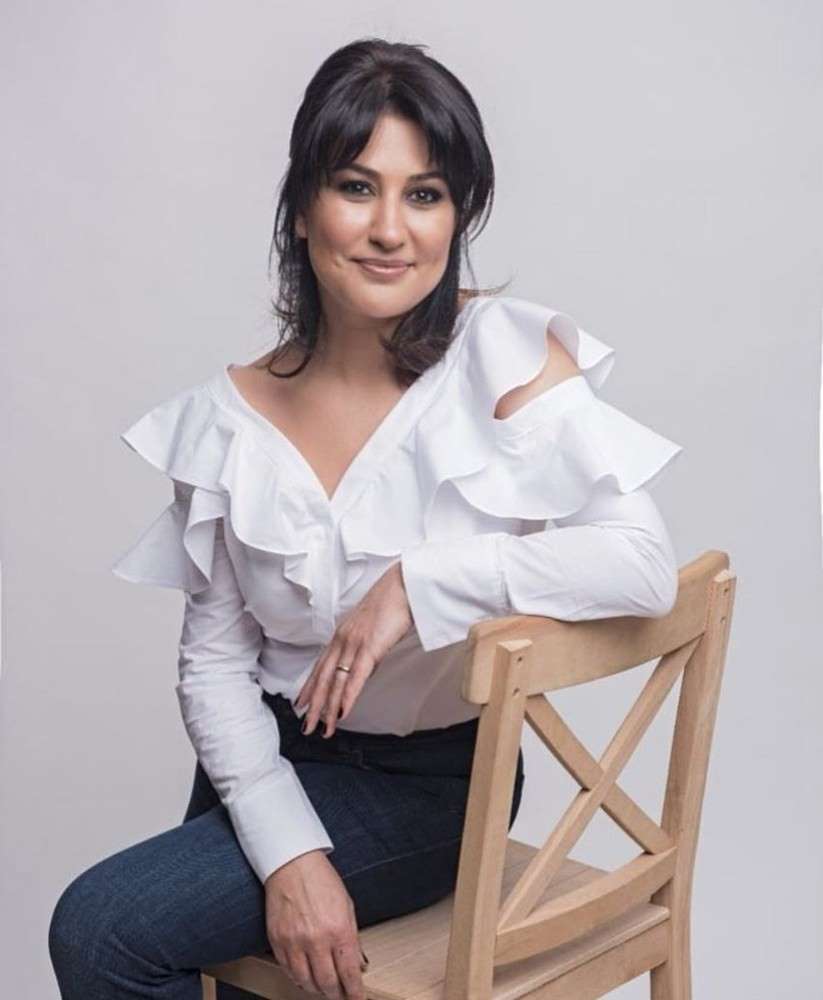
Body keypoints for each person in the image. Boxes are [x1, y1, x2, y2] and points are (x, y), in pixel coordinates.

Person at [47, 36, 683, 1000]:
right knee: (170, 955)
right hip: (259, 761)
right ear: (302, 207)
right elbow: (214, 667)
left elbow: (641, 564)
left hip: (427, 786)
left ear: (456, 217)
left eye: (424, 195)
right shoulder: (227, 419)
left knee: (102, 933)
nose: (390, 230)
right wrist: (292, 855)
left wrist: (420, 584)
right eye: (356, 187)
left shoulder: (502, 360)